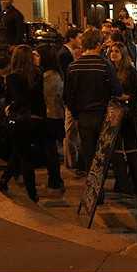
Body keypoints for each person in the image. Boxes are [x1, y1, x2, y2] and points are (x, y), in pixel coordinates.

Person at [63, 28, 122, 177]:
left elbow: (67, 96)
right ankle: (100, 185)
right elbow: (117, 90)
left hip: (83, 116)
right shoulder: (104, 64)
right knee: (102, 153)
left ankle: (92, 191)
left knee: (88, 153)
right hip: (102, 114)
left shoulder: (73, 66)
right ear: (98, 44)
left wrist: (76, 114)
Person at [0, 45, 46, 203]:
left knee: (24, 155)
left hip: (20, 120)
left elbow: (16, 99)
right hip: (35, 119)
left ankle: (31, 192)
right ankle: (4, 180)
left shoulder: (12, 77)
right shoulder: (37, 74)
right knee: (19, 151)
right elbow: (40, 99)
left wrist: (9, 108)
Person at [109, 42, 137, 201]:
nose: (113, 54)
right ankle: (121, 181)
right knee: (116, 150)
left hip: (129, 116)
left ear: (123, 53)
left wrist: (128, 98)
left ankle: (134, 182)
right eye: (111, 51)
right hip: (114, 115)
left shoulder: (130, 72)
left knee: (132, 149)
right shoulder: (110, 70)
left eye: (117, 51)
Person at [36, 44, 66, 192]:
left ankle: (54, 179)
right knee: (51, 148)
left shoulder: (48, 77)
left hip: (50, 116)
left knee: (50, 149)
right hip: (55, 115)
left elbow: (53, 98)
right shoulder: (55, 74)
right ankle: (55, 178)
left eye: (38, 55)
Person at [57, 27, 82, 170]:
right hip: (70, 100)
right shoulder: (65, 54)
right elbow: (67, 79)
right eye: (79, 37)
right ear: (72, 38)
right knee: (70, 132)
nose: (80, 41)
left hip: (71, 99)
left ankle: (72, 161)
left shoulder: (68, 53)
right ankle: (71, 163)